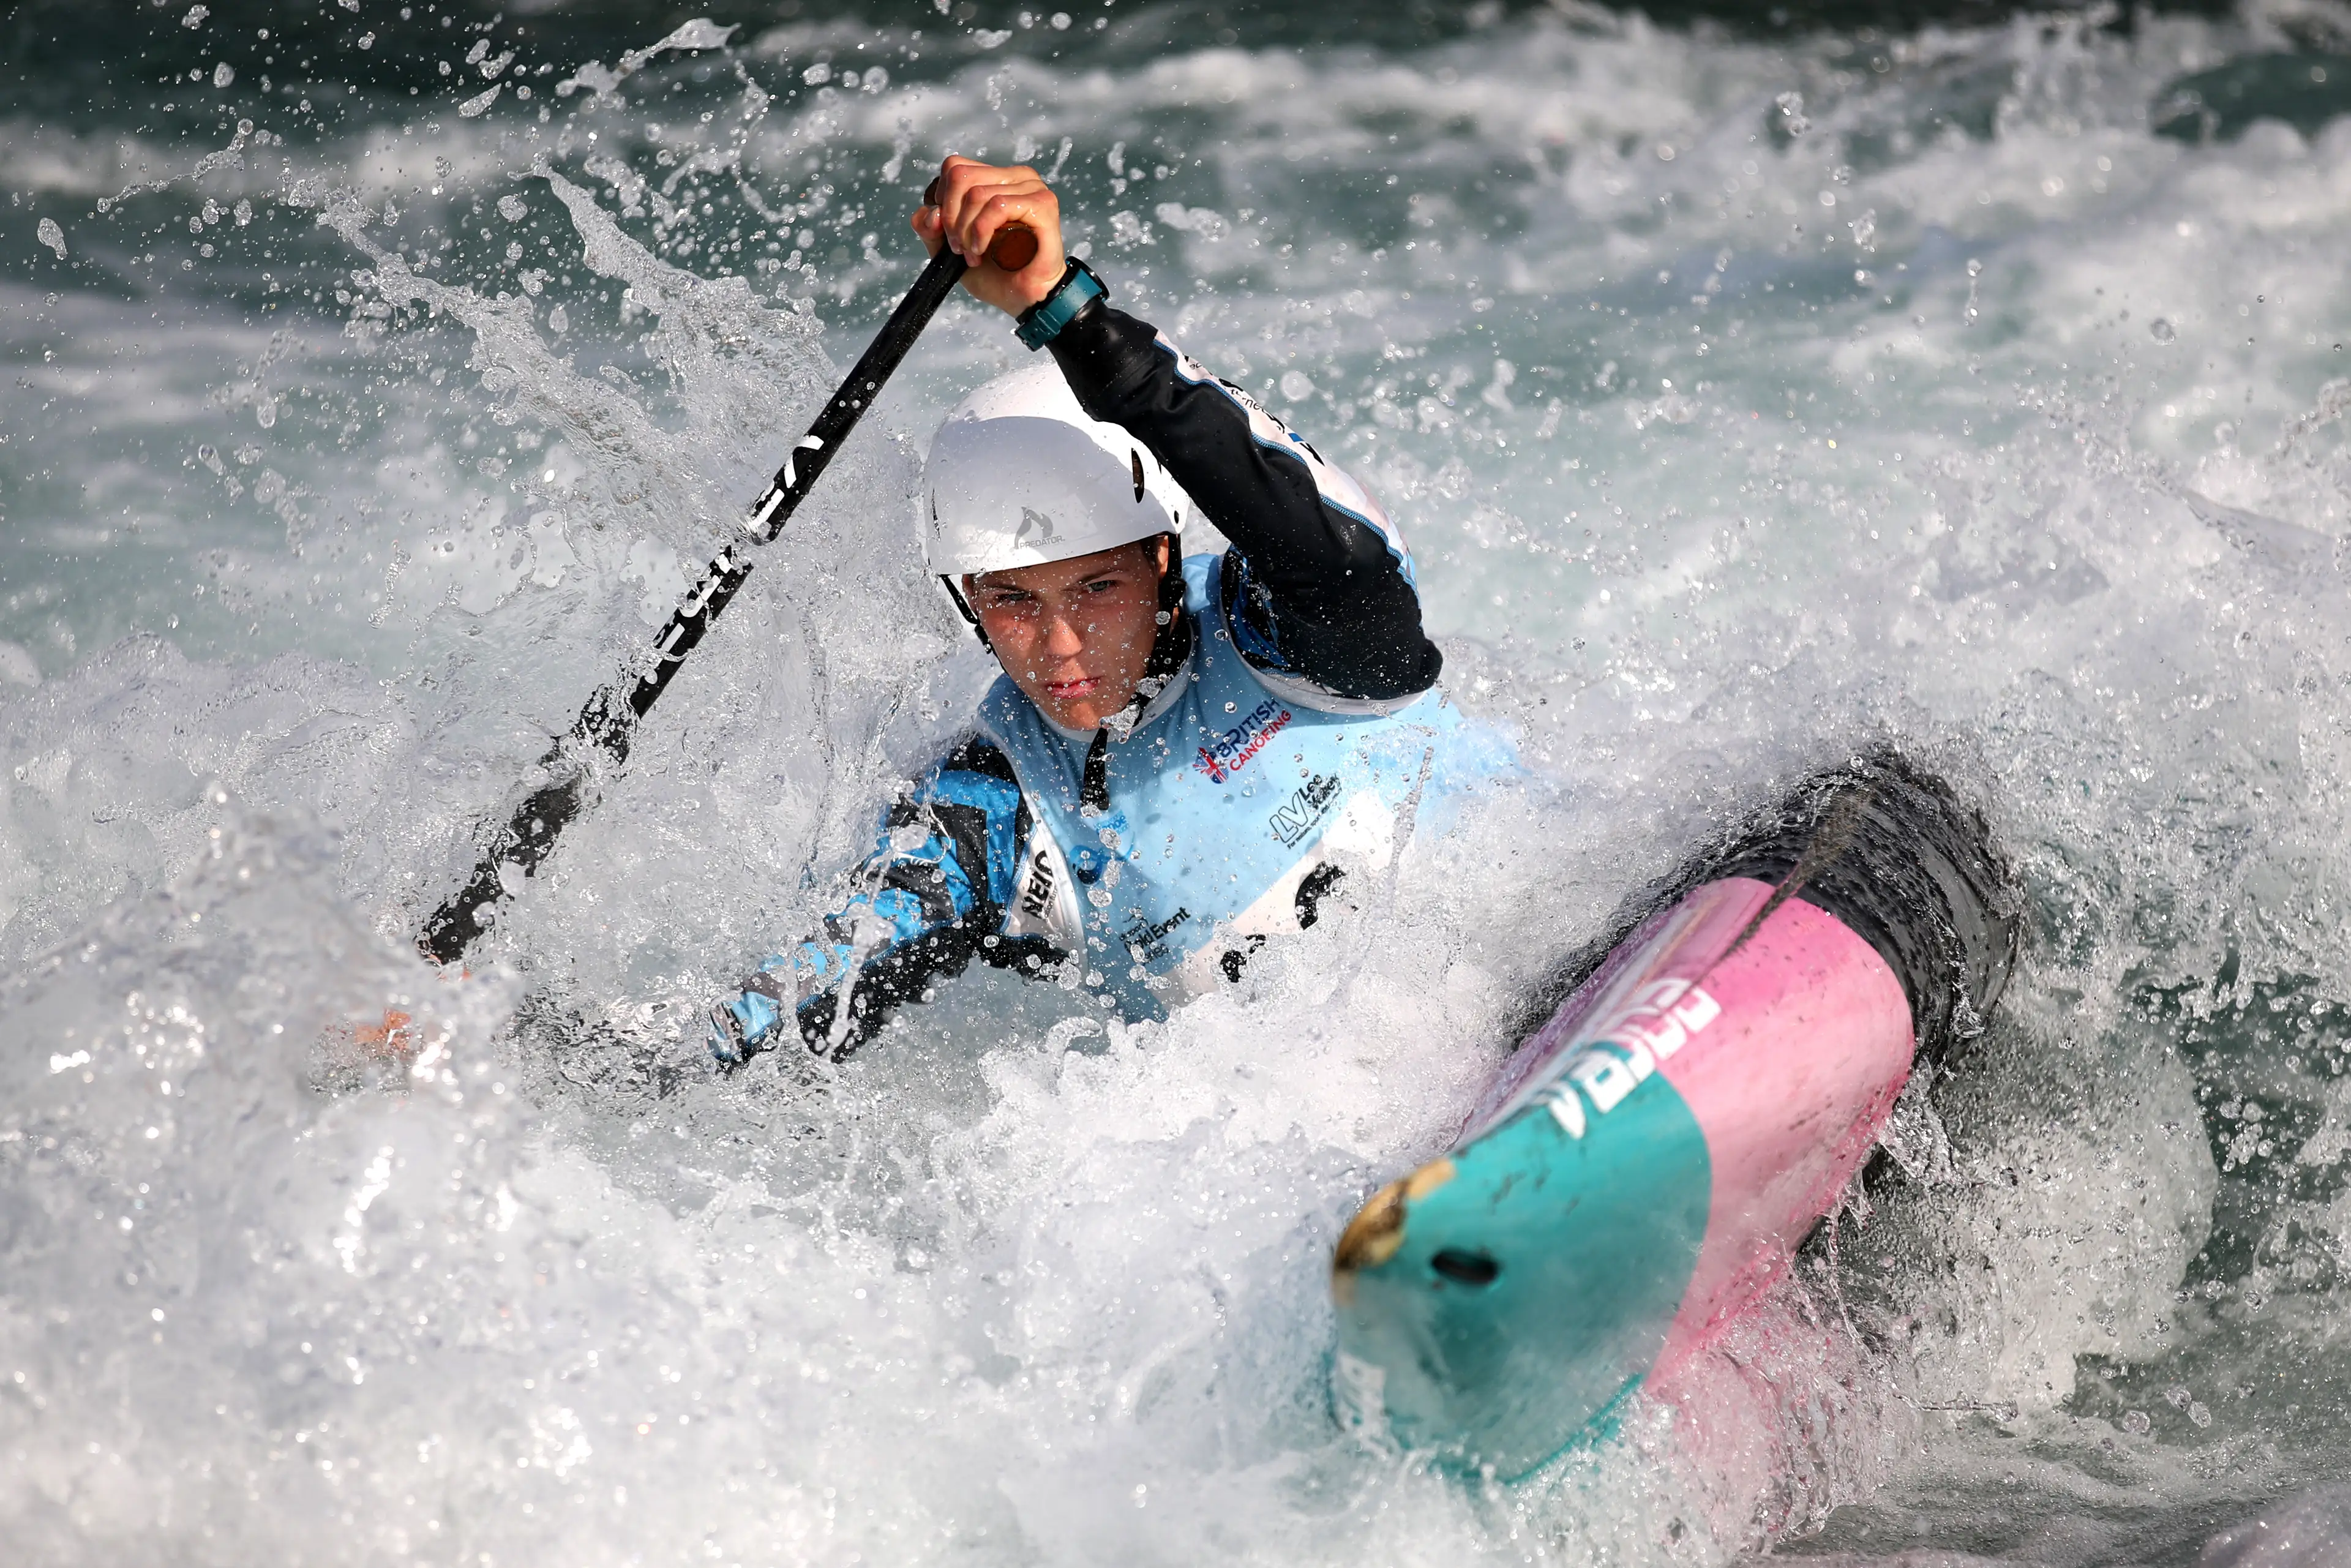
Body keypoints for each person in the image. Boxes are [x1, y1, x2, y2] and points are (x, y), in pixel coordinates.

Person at [707, 156, 1493, 1066]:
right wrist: (628, 1058)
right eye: (1012, 601)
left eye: (1097, 588)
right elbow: (803, 992)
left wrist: (1066, 312)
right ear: (966, 601)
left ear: (1162, 558)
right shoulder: (997, 808)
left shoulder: (1290, 638)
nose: (1060, 644)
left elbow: (1305, 521)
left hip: (1574, 956)